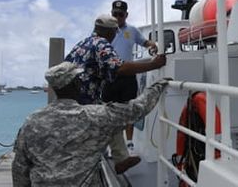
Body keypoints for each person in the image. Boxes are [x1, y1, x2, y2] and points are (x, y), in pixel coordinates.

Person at [12, 62, 170, 187]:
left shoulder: (31, 121)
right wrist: (158, 85)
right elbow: (137, 109)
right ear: (76, 85)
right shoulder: (95, 116)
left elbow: (20, 168)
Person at [64, 14, 166, 174]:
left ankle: (121, 159)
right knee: (116, 115)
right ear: (110, 32)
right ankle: (112, 159)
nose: (114, 36)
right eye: (114, 33)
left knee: (111, 119)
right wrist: (153, 64)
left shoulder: (82, 43)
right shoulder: (101, 43)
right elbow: (120, 68)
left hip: (71, 96)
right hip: (86, 100)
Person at [103, 0, 157, 155]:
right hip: (110, 77)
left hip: (128, 78)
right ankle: (109, 145)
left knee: (129, 111)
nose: (117, 17)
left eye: (120, 14)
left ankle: (130, 144)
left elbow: (145, 42)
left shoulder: (132, 31)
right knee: (109, 112)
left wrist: (153, 45)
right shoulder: (105, 32)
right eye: (115, 14)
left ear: (126, 15)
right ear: (111, 14)